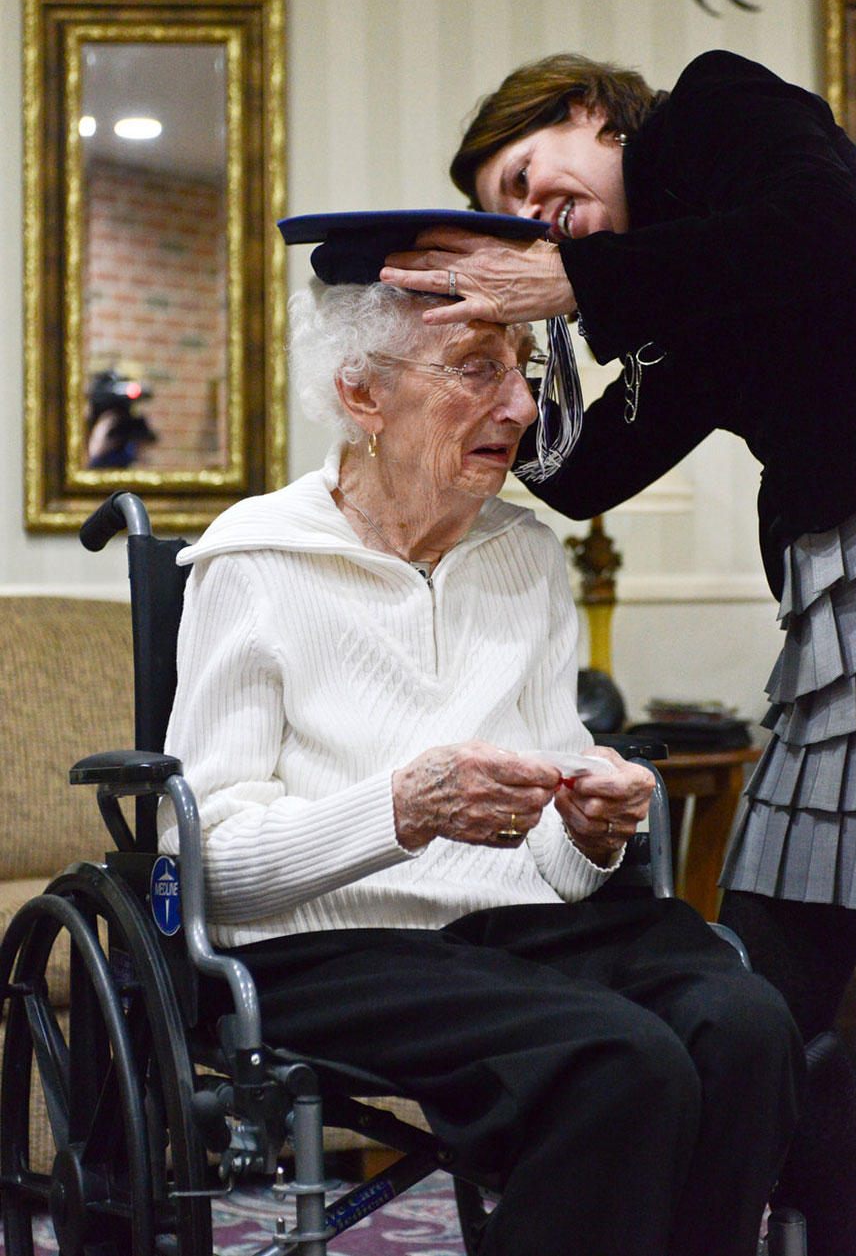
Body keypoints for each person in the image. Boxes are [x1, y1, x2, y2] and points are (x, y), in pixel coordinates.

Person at [159, 223, 802, 1256]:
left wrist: (589, 828)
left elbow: (555, 859)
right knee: (618, 1061)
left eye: (525, 367)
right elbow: (207, 865)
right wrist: (400, 809)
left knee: (745, 1026)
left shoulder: (524, 556)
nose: (519, 406)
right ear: (362, 393)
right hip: (329, 947)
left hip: (519, 933)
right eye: (475, 367)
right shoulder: (255, 562)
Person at [377, 48, 856, 1256]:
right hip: (839, 598)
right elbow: (586, 474)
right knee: (766, 991)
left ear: (586, 110)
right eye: (504, 213)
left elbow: (822, 231)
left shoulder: (713, 108)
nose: (525, 212)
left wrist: (565, 276)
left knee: (773, 982)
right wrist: (516, 345)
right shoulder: (682, 298)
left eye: (523, 173)